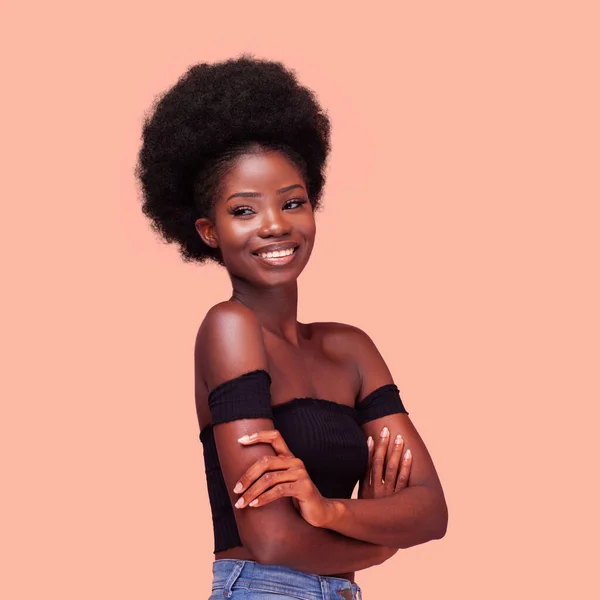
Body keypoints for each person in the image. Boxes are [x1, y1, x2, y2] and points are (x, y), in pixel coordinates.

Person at [136, 55, 448, 600]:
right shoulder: (228, 327)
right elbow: (275, 539)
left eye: (292, 202)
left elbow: (431, 509)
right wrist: (381, 541)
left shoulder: (351, 348)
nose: (275, 225)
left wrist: (328, 509)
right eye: (244, 211)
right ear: (208, 231)